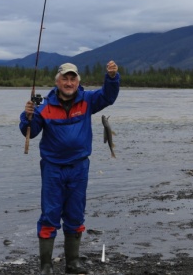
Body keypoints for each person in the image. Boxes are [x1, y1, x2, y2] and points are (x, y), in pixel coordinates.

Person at [20, 60, 120, 275]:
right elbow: (30, 131)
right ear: (57, 81)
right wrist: (27, 116)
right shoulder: (44, 106)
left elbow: (108, 97)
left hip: (79, 167)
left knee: (75, 214)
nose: (69, 82)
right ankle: (46, 266)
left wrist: (112, 78)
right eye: (64, 78)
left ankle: (72, 263)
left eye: (72, 78)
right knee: (50, 214)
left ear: (77, 81)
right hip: (52, 168)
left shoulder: (88, 100)